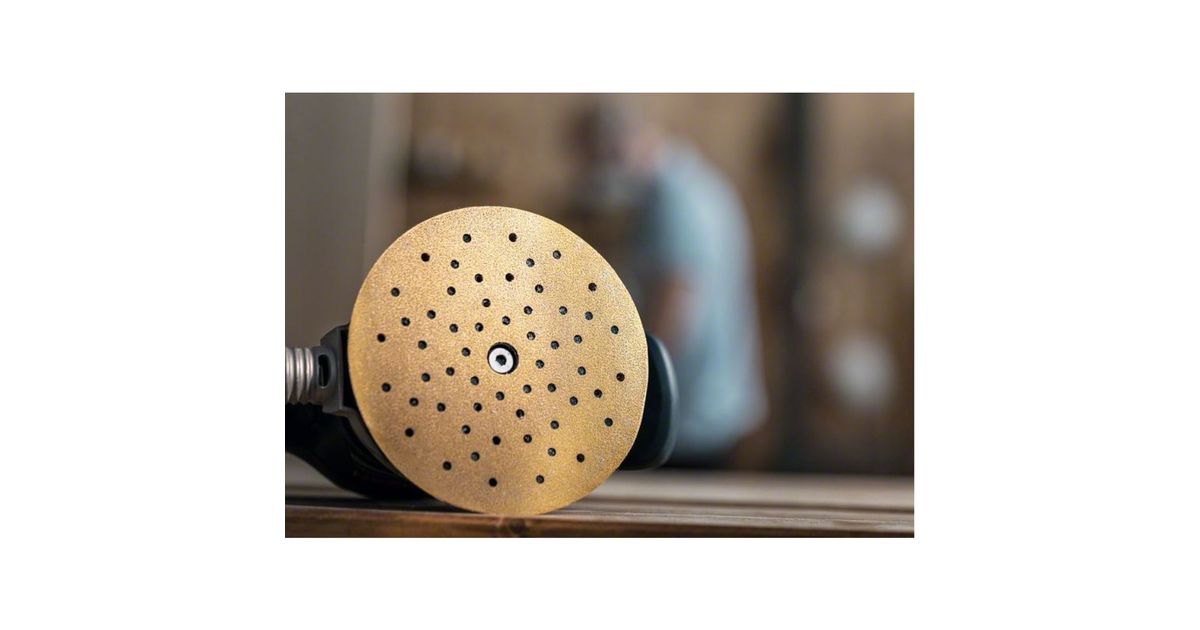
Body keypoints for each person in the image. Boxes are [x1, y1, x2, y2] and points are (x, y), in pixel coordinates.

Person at [575, 100, 767, 467]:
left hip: (689, 410)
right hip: (719, 398)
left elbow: (677, 297)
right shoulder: (701, 181)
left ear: (616, 145)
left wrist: (632, 394)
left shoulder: (670, 198)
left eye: (594, 160)